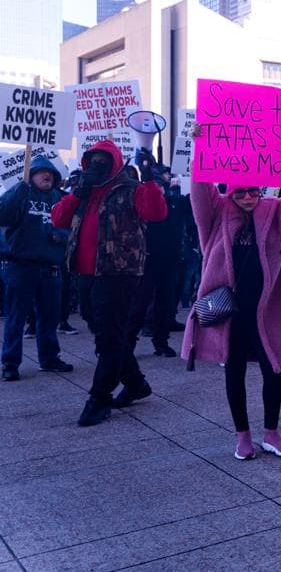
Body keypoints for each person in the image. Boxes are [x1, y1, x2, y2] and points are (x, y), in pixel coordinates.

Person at [182, 136, 281, 459]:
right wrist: (200, 147)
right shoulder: (217, 213)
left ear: (261, 189)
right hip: (231, 312)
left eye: (253, 190)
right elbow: (200, 188)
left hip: (268, 310)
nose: (246, 197)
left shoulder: (278, 211)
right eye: (239, 191)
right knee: (235, 371)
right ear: (231, 191)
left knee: (274, 369)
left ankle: (271, 432)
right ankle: (242, 435)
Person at [52, 141, 168, 426]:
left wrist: (150, 177)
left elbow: (156, 212)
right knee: (106, 332)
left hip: (119, 273)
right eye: (93, 160)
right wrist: (77, 194)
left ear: (115, 162)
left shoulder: (130, 189)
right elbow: (58, 219)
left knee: (108, 338)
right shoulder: (84, 189)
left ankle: (99, 397)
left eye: (103, 160)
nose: (97, 165)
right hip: (86, 273)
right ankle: (136, 383)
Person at [0, 156, 74, 381]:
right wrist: (17, 192)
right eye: (42, 172)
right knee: (16, 317)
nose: (47, 175)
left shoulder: (60, 199)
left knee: (49, 317)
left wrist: (60, 237)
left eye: (50, 173)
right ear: (30, 174)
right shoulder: (19, 195)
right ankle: (10, 363)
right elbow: (3, 215)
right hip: (21, 267)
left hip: (50, 268)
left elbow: (72, 229)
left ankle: (49, 358)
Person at [127, 170, 187, 357]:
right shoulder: (143, 204)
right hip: (147, 259)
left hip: (170, 260)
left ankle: (161, 341)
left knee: (165, 303)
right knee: (139, 304)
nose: (159, 189)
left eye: (162, 185)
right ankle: (128, 344)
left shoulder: (176, 202)